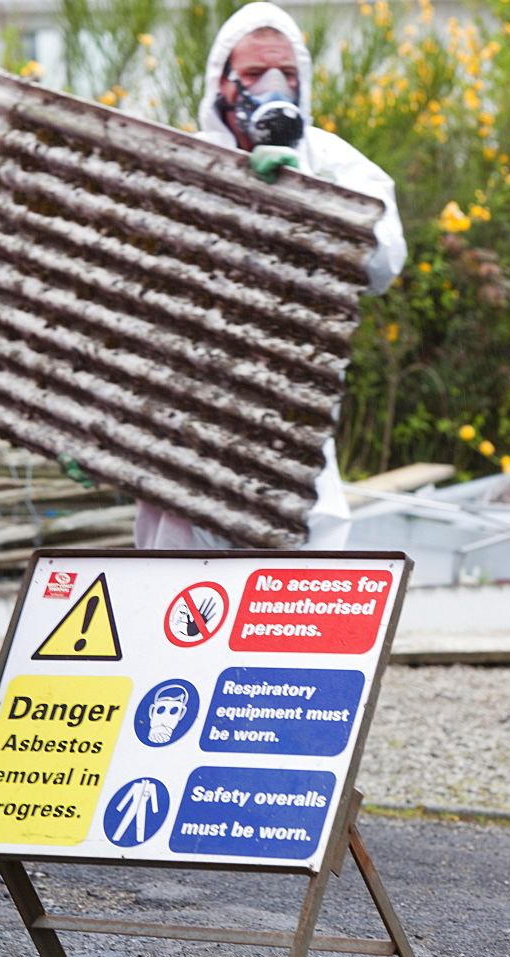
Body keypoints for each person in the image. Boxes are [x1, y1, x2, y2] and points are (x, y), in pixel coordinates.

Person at [134, 1, 407, 551]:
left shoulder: (335, 164)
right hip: (187, 423)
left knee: (300, 584)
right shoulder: (184, 167)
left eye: (287, 73)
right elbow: (129, 295)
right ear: (224, 82)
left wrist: (306, 194)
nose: (273, 86)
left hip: (290, 420)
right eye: (255, 74)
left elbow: (383, 264)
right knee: (174, 600)